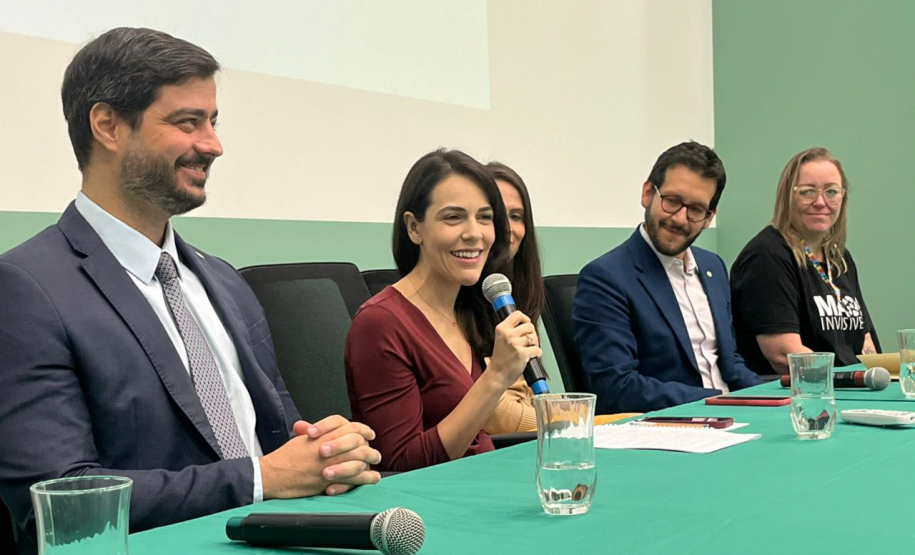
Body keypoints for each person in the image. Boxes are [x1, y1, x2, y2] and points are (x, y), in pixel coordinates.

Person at [0, 28, 380, 553]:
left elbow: (276, 438)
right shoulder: (25, 289)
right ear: (107, 125)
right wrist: (260, 480)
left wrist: (325, 450)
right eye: (187, 122)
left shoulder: (221, 278)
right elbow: (58, 496)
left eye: (213, 121)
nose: (214, 145)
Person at [345, 149, 542, 472]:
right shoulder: (380, 323)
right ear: (414, 228)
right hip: (431, 508)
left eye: (485, 217)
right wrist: (495, 379)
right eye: (453, 217)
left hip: (488, 482)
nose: (474, 233)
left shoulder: (469, 309)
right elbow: (400, 464)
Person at [573, 141, 761, 413]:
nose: (681, 219)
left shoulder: (714, 267)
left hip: (734, 416)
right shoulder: (605, 277)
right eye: (672, 201)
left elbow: (729, 362)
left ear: (709, 217)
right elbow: (616, 387)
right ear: (648, 193)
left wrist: (768, 399)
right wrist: (717, 400)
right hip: (671, 428)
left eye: (696, 209)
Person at [730, 147, 877, 375]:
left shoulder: (840, 258)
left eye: (831, 192)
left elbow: (865, 345)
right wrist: (852, 380)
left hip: (850, 391)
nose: (820, 202)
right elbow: (785, 356)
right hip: (798, 397)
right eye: (807, 192)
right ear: (787, 196)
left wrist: (878, 381)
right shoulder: (767, 256)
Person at [482, 161, 545, 434]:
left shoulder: (510, 297)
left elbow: (531, 398)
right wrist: (574, 423)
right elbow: (497, 416)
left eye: (517, 216)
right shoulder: (450, 302)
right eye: (494, 215)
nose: (508, 228)